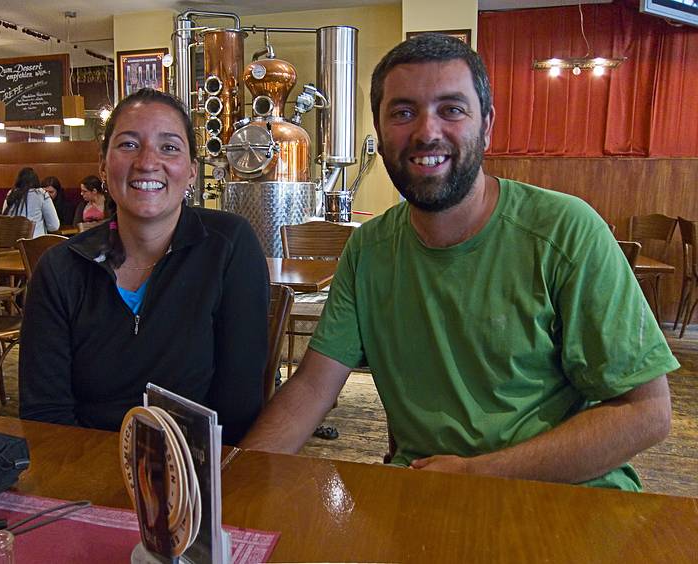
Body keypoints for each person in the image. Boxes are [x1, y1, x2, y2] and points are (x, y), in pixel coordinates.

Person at [241, 33, 678, 490]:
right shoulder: (368, 249)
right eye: (404, 112)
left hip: (567, 498)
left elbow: (646, 412)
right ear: (380, 128)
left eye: (451, 109)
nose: (427, 131)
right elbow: (312, 388)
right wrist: (233, 491)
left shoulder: (564, 229)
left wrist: (477, 474)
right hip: (426, 497)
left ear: (486, 125)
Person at [19, 88, 269, 445]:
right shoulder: (60, 269)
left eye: (169, 147)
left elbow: (238, 404)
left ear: (192, 171)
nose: (148, 162)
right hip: (85, 469)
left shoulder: (228, 246)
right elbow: (44, 415)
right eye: (128, 145)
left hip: (196, 474)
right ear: (103, 166)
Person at [3, 167, 60, 237]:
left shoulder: (11, 193)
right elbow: (54, 226)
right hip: (35, 243)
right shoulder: (41, 194)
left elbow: (4, 218)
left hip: (12, 242)